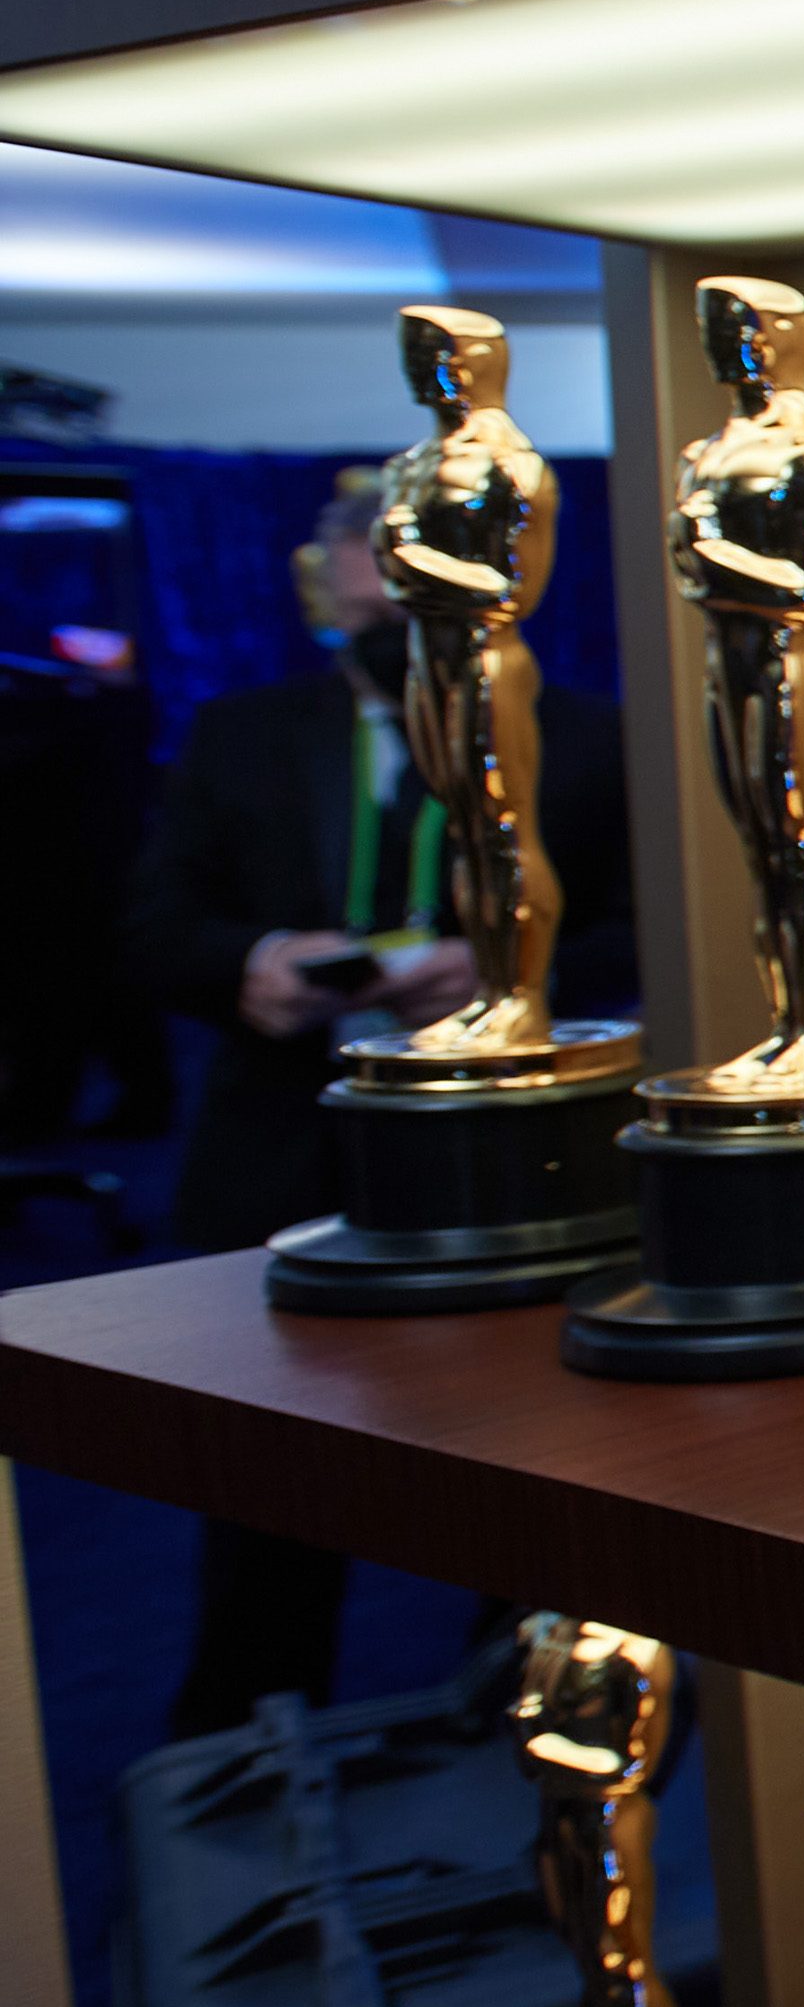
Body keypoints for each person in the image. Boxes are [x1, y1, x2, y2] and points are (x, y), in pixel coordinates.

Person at [117, 464, 633, 1734]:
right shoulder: (241, 734)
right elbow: (152, 925)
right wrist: (253, 968)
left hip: (506, 1167)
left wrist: (518, 968)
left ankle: (526, 1744)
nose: (391, 653)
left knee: (532, 1469)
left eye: (418, 626)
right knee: (265, 1485)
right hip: (284, 1144)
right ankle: (244, 1747)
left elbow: (657, 937)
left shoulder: (592, 740)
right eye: (366, 626)